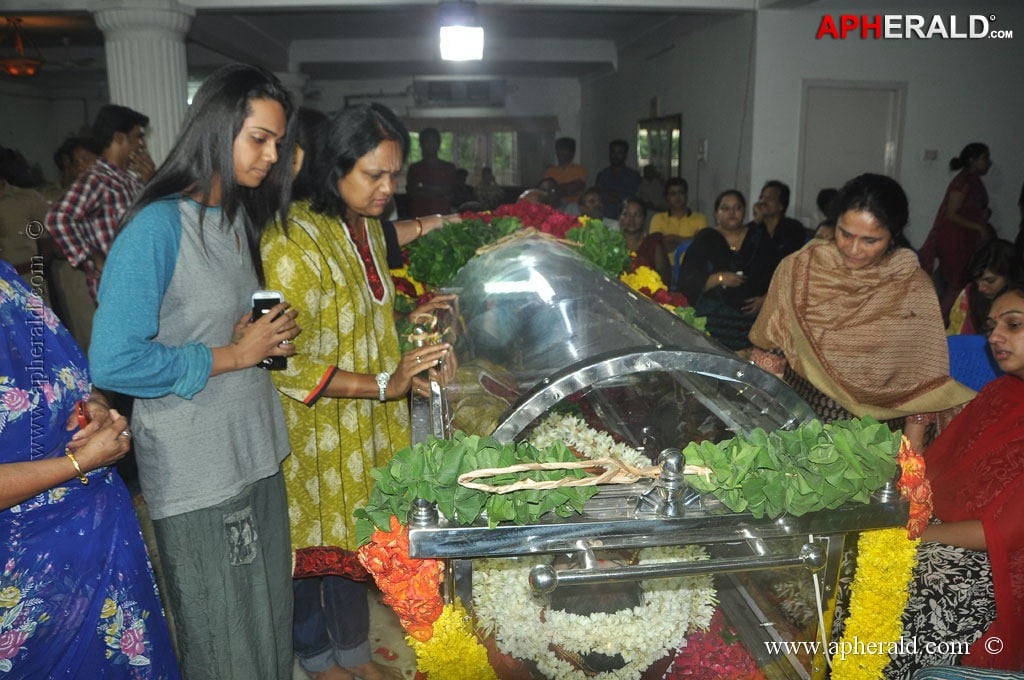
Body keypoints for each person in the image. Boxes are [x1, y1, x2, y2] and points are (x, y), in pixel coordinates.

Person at [89, 64, 300, 680]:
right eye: (259, 138)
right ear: (217, 127)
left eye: (278, 143)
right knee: (224, 639)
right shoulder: (156, 227)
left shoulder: (233, 217)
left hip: (254, 446)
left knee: (267, 623)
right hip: (197, 466)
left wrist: (248, 339)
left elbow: (199, 328)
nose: (272, 155)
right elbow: (115, 358)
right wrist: (233, 355)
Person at [261, 103, 451, 680]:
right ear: (331, 165)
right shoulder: (287, 238)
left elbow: (360, 321)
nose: (388, 190)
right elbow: (279, 358)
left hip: (366, 420)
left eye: (395, 175)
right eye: (375, 175)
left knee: (355, 544)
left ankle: (353, 653)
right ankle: (317, 660)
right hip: (312, 428)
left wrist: (411, 320)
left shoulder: (365, 226)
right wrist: (381, 383)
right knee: (311, 554)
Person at [0, 259, 179, 679]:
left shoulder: (6, 279)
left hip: (98, 543)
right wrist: (78, 463)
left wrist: (95, 407)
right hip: (25, 578)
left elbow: (66, 379)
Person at [749, 174, 974, 452]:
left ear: (893, 235)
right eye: (845, 234)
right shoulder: (800, 269)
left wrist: (910, 463)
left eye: (870, 240)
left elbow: (923, 386)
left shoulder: (911, 287)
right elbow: (770, 351)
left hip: (876, 445)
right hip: (802, 431)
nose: (854, 250)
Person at [882, 284, 1024, 676]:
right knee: (856, 557)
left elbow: (1000, 534)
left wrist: (911, 539)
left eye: (1013, 325)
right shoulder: (999, 395)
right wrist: (914, 431)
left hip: (994, 568)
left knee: (904, 588)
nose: (994, 336)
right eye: (994, 325)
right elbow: (924, 485)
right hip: (940, 536)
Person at [45, 104, 154, 301]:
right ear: (119, 138)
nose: (142, 144)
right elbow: (58, 218)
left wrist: (152, 183)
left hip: (140, 283)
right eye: (138, 136)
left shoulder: (129, 179)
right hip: (117, 291)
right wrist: (91, 256)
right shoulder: (97, 180)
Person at [676, 189, 777, 351]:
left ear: (744, 212)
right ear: (716, 213)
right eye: (725, 208)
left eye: (737, 208)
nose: (732, 213)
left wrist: (765, 299)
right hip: (714, 316)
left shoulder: (757, 237)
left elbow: (778, 274)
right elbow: (687, 282)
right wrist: (719, 278)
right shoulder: (707, 238)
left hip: (752, 315)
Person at [919, 143, 995, 320]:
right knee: (955, 284)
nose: (988, 162)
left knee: (949, 281)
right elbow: (951, 213)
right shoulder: (962, 182)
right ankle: (936, 324)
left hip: (966, 240)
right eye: (984, 158)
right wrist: (979, 227)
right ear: (972, 160)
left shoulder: (973, 181)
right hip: (954, 239)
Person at [947, 239, 1022, 335]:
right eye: (977, 281)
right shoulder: (969, 293)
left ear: (1010, 275)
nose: (981, 288)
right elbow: (954, 331)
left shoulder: (1020, 302)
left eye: (990, 281)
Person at [750, 179, 807, 261]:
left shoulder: (794, 228)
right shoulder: (753, 227)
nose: (763, 201)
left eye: (770, 198)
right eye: (761, 197)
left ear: (781, 205)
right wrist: (757, 221)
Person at [405, 127, 456, 217]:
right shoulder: (415, 168)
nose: (430, 145)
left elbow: (450, 191)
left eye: (433, 141)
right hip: (420, 216)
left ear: (439, 144)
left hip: (442, 215)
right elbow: (412, 192)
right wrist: (438, 191)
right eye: (427, 141)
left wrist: (424, 188)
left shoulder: (448, 167)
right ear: (421, 144)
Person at [649, 177, 708, 254]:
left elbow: (702, 245)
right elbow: (655, 247)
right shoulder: (658, 218)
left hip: (692, 265)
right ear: (667, 197)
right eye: (673, 194)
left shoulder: (700, 218)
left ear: (686, 195)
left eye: (681, 193)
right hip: (666, 265)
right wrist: (690, 241)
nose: (677, 197)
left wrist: (674, 238)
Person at [620, 196, 669, 283]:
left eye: (637, 215)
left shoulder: (653, 245)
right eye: (626, 214)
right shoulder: (611, 242)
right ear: (620, 218)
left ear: (644, 219)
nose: (631, 220)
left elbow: (664, 280)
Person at [594, 139, 641, 220]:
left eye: (619, 152)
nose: (615, 155)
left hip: (626, 219)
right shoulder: (602, 175)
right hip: (604, 218)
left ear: (625, 155)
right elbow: (598, 196)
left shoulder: (633, 176)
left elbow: (631, 198)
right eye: (613, 152)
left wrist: (615, 196)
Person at [542, 136, 586, 210]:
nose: (561, 152)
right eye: (559, 149)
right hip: (554, 206)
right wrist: (564, 190)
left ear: (572, 153)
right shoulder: (550, 171)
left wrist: (554, 189)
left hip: (573, 207)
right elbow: (544, 192)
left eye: (564, 149)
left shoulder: (580, 170)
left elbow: (575, 187)